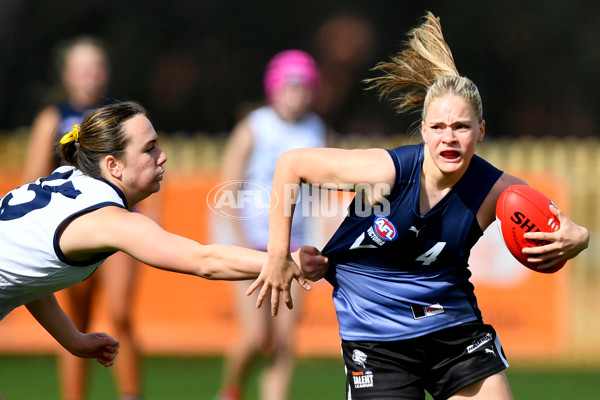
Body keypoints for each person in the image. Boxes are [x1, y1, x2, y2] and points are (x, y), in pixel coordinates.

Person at [248, 12, 590, 400]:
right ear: (423, 129)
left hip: (454, 332)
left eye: (461, 127)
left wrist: (581, 237)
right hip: (377, 340)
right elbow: (291, 165)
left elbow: (561, 228)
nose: (450, 138)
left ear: (480, 131)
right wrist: (277, 254)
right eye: (439, 127)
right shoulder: (386, 172)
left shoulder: (499, 191)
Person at [0, 101, 328, 397]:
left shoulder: (67, 180)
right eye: (150, 148)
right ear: (113, 166)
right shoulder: (109, 220)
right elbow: (205, 260)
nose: (163, 155)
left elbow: (26, 279)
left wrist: (72, 338)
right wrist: (286, 261)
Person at [22, 36, 143, 400]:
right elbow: (32, 177)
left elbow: (144, 163)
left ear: (104, 72)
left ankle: (130, 393)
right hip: (73, 229)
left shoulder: (120, 115)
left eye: (96, 67)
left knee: (121, 312)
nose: (90, 75)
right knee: (76, 323)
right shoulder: (53, 117)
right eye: (81, 68)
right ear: (67, 74)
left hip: (119, 223)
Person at [215, 49, 327, 400]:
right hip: (253, 245)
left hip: (296, 248)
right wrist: (237, 242)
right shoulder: (254, 127)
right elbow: (226, 189)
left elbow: (323, 194)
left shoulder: (317, 129)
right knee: (256, 336)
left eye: (304, 87)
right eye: (290, 86)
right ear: (273, 88)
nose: (297, 94)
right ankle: (230, 389)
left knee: (283, 341)